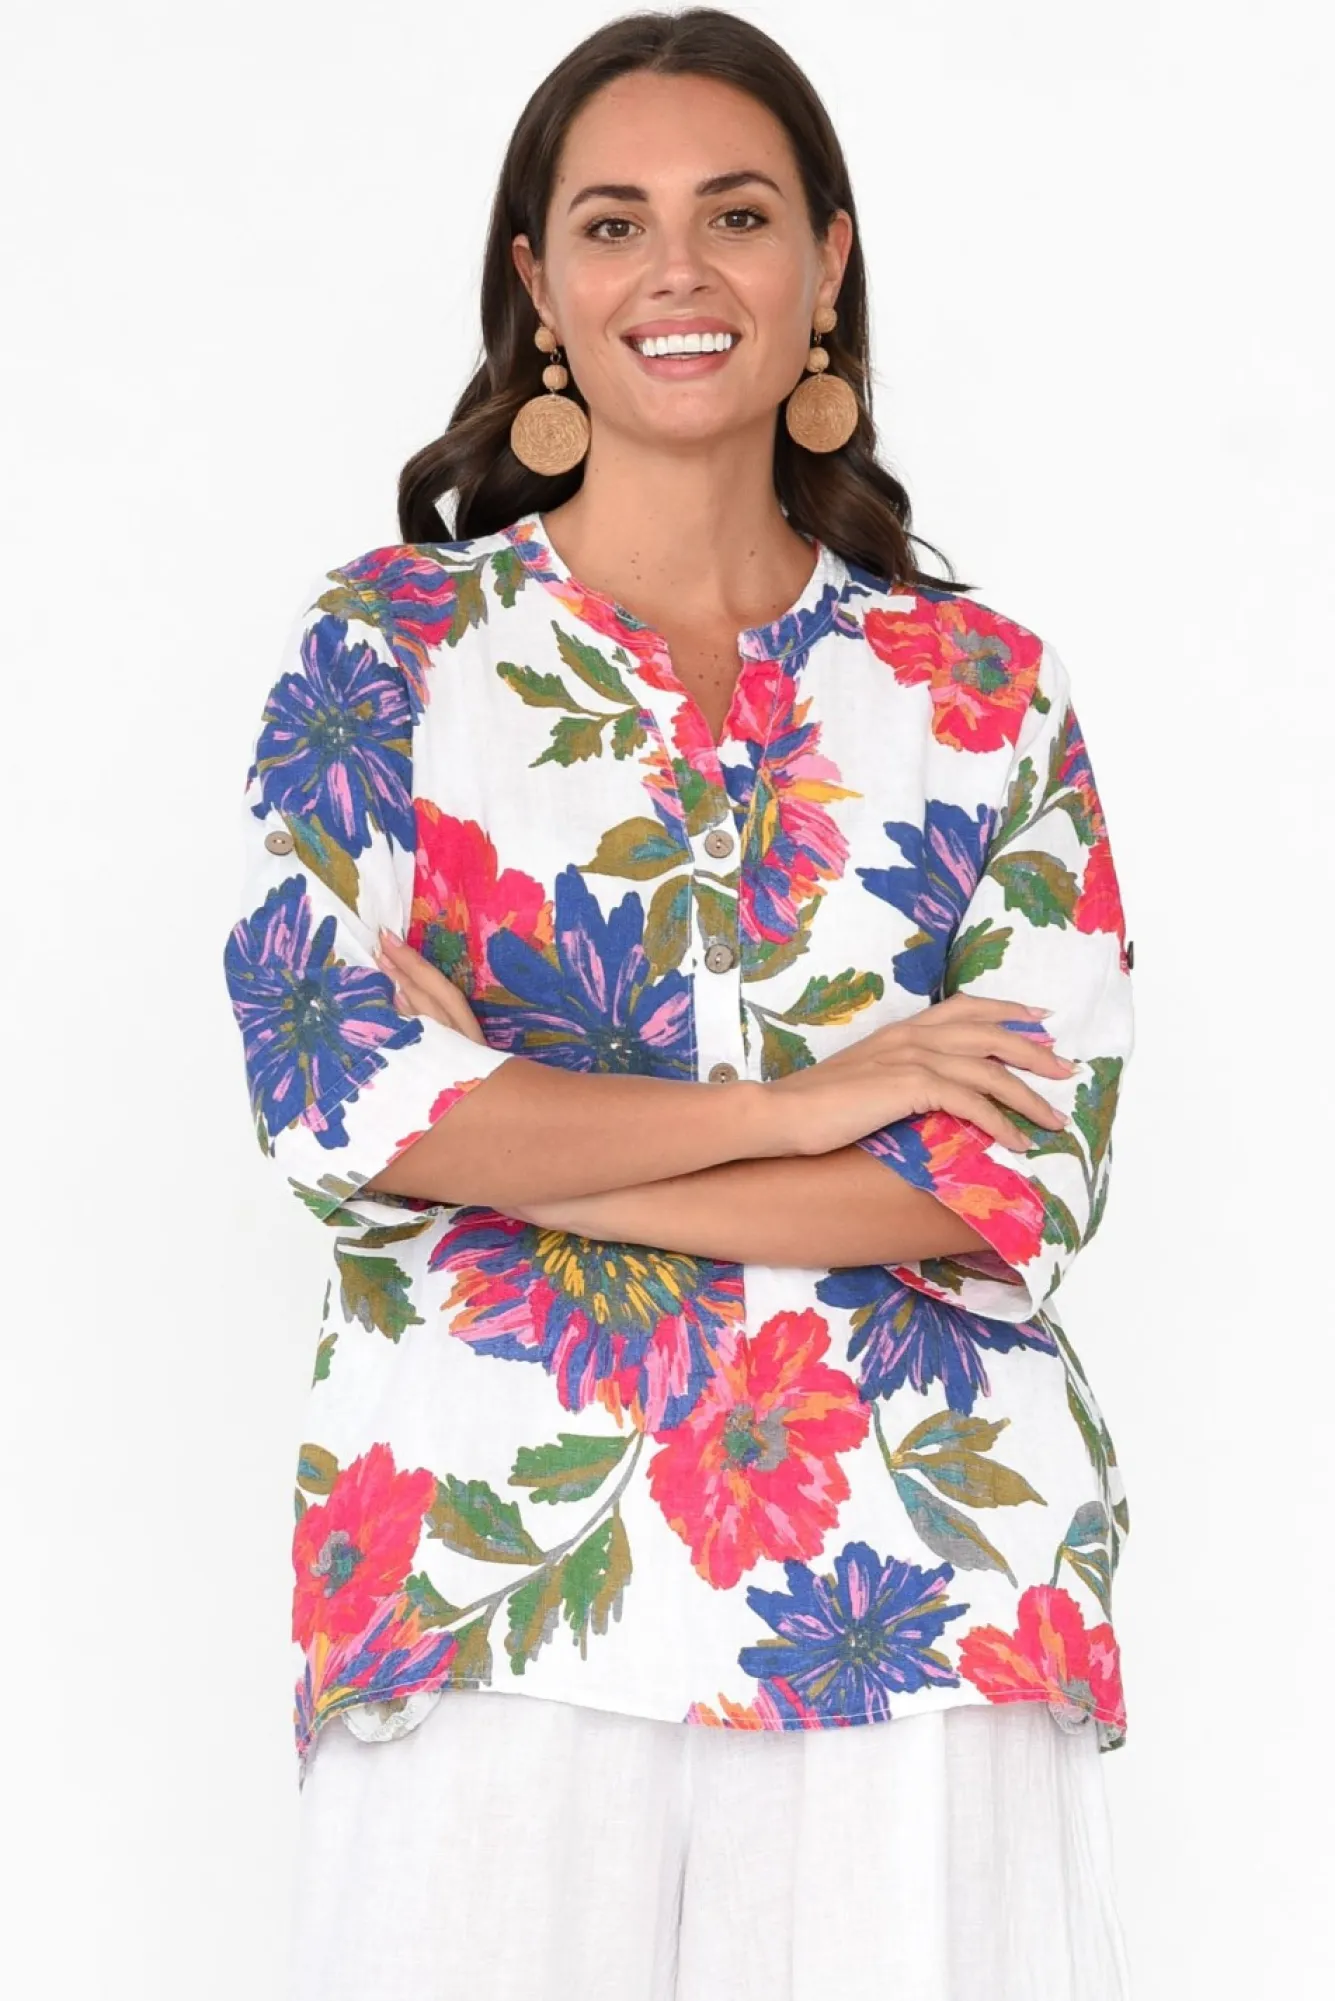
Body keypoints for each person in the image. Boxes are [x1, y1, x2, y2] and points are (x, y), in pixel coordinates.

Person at [223, 10, 1137, 1998]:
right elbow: (336, 1101)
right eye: (613, 222)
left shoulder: (982, 693)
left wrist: (506, 1140)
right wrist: (818, 1104)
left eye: (734, 214)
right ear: (539, 284)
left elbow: (1011, 1179)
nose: (676, 271)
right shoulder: (394, 656)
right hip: (487, 1586)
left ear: (826, 262)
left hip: (921, 1588)